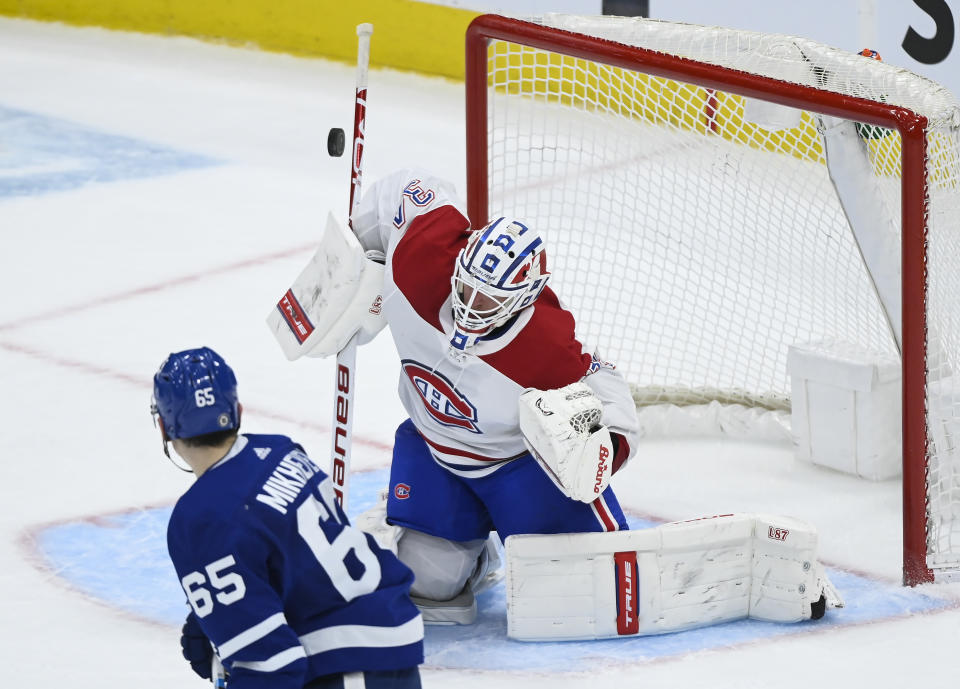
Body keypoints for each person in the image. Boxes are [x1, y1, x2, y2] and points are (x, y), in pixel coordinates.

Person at [345, 170, 642, 623]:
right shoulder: (422, 257)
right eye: (466, 287)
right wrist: (354, 254)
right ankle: (475, 554)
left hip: (516, 468)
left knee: (589, 591)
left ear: (523, 299)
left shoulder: (545, 346)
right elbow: (404, 189)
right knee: (426, 590)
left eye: (488, 301)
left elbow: (605, 387)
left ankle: (500, 525)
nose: (469, 305)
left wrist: (607, 449)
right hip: (435, 450)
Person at [151, 346, 424, 688]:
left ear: (164, 426)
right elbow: (294, 555)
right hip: (388, 641)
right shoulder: (280, 450)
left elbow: (272, 666)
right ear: (236, 410)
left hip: (342, 665)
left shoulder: (198, 519)